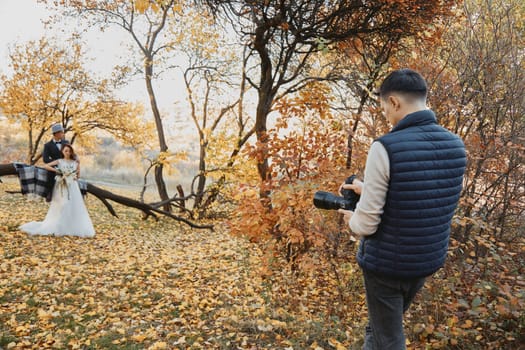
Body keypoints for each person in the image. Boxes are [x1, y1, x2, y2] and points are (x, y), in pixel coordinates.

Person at [338, 69, 466, 349]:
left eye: (384, 109)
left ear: (394, 102)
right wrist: (367, 188)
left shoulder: (385, 147)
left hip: (386, 266)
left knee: (389, 339)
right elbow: (424, 195)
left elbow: (366, 225)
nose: (386, 116)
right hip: (425, 261)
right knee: (381, 326)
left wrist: (352, 219)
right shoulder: (456, 146)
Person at [19, 144, 95, 238]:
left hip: (72, 186)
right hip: (61, 186)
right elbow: (46, 166)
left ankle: (70, 227)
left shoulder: (75, 162)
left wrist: (73, 176)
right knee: (62, 204)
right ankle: (59, 226)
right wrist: (58, 172)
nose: (67, 152)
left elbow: (78, 176)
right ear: (62, 152)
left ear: (71, 152)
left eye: (69, 151)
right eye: (66, 151)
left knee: (72, 205)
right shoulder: (59, 161)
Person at [42, 123, 70, 202]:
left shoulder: (66, 142)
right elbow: (45, 159)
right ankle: (49, 193)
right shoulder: (47, 145)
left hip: (66, 165)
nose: (63, 134)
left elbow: (71, 154)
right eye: (61, 132)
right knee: (50, 173)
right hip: (54, 166)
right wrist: (57, 162)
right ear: (56, 133)